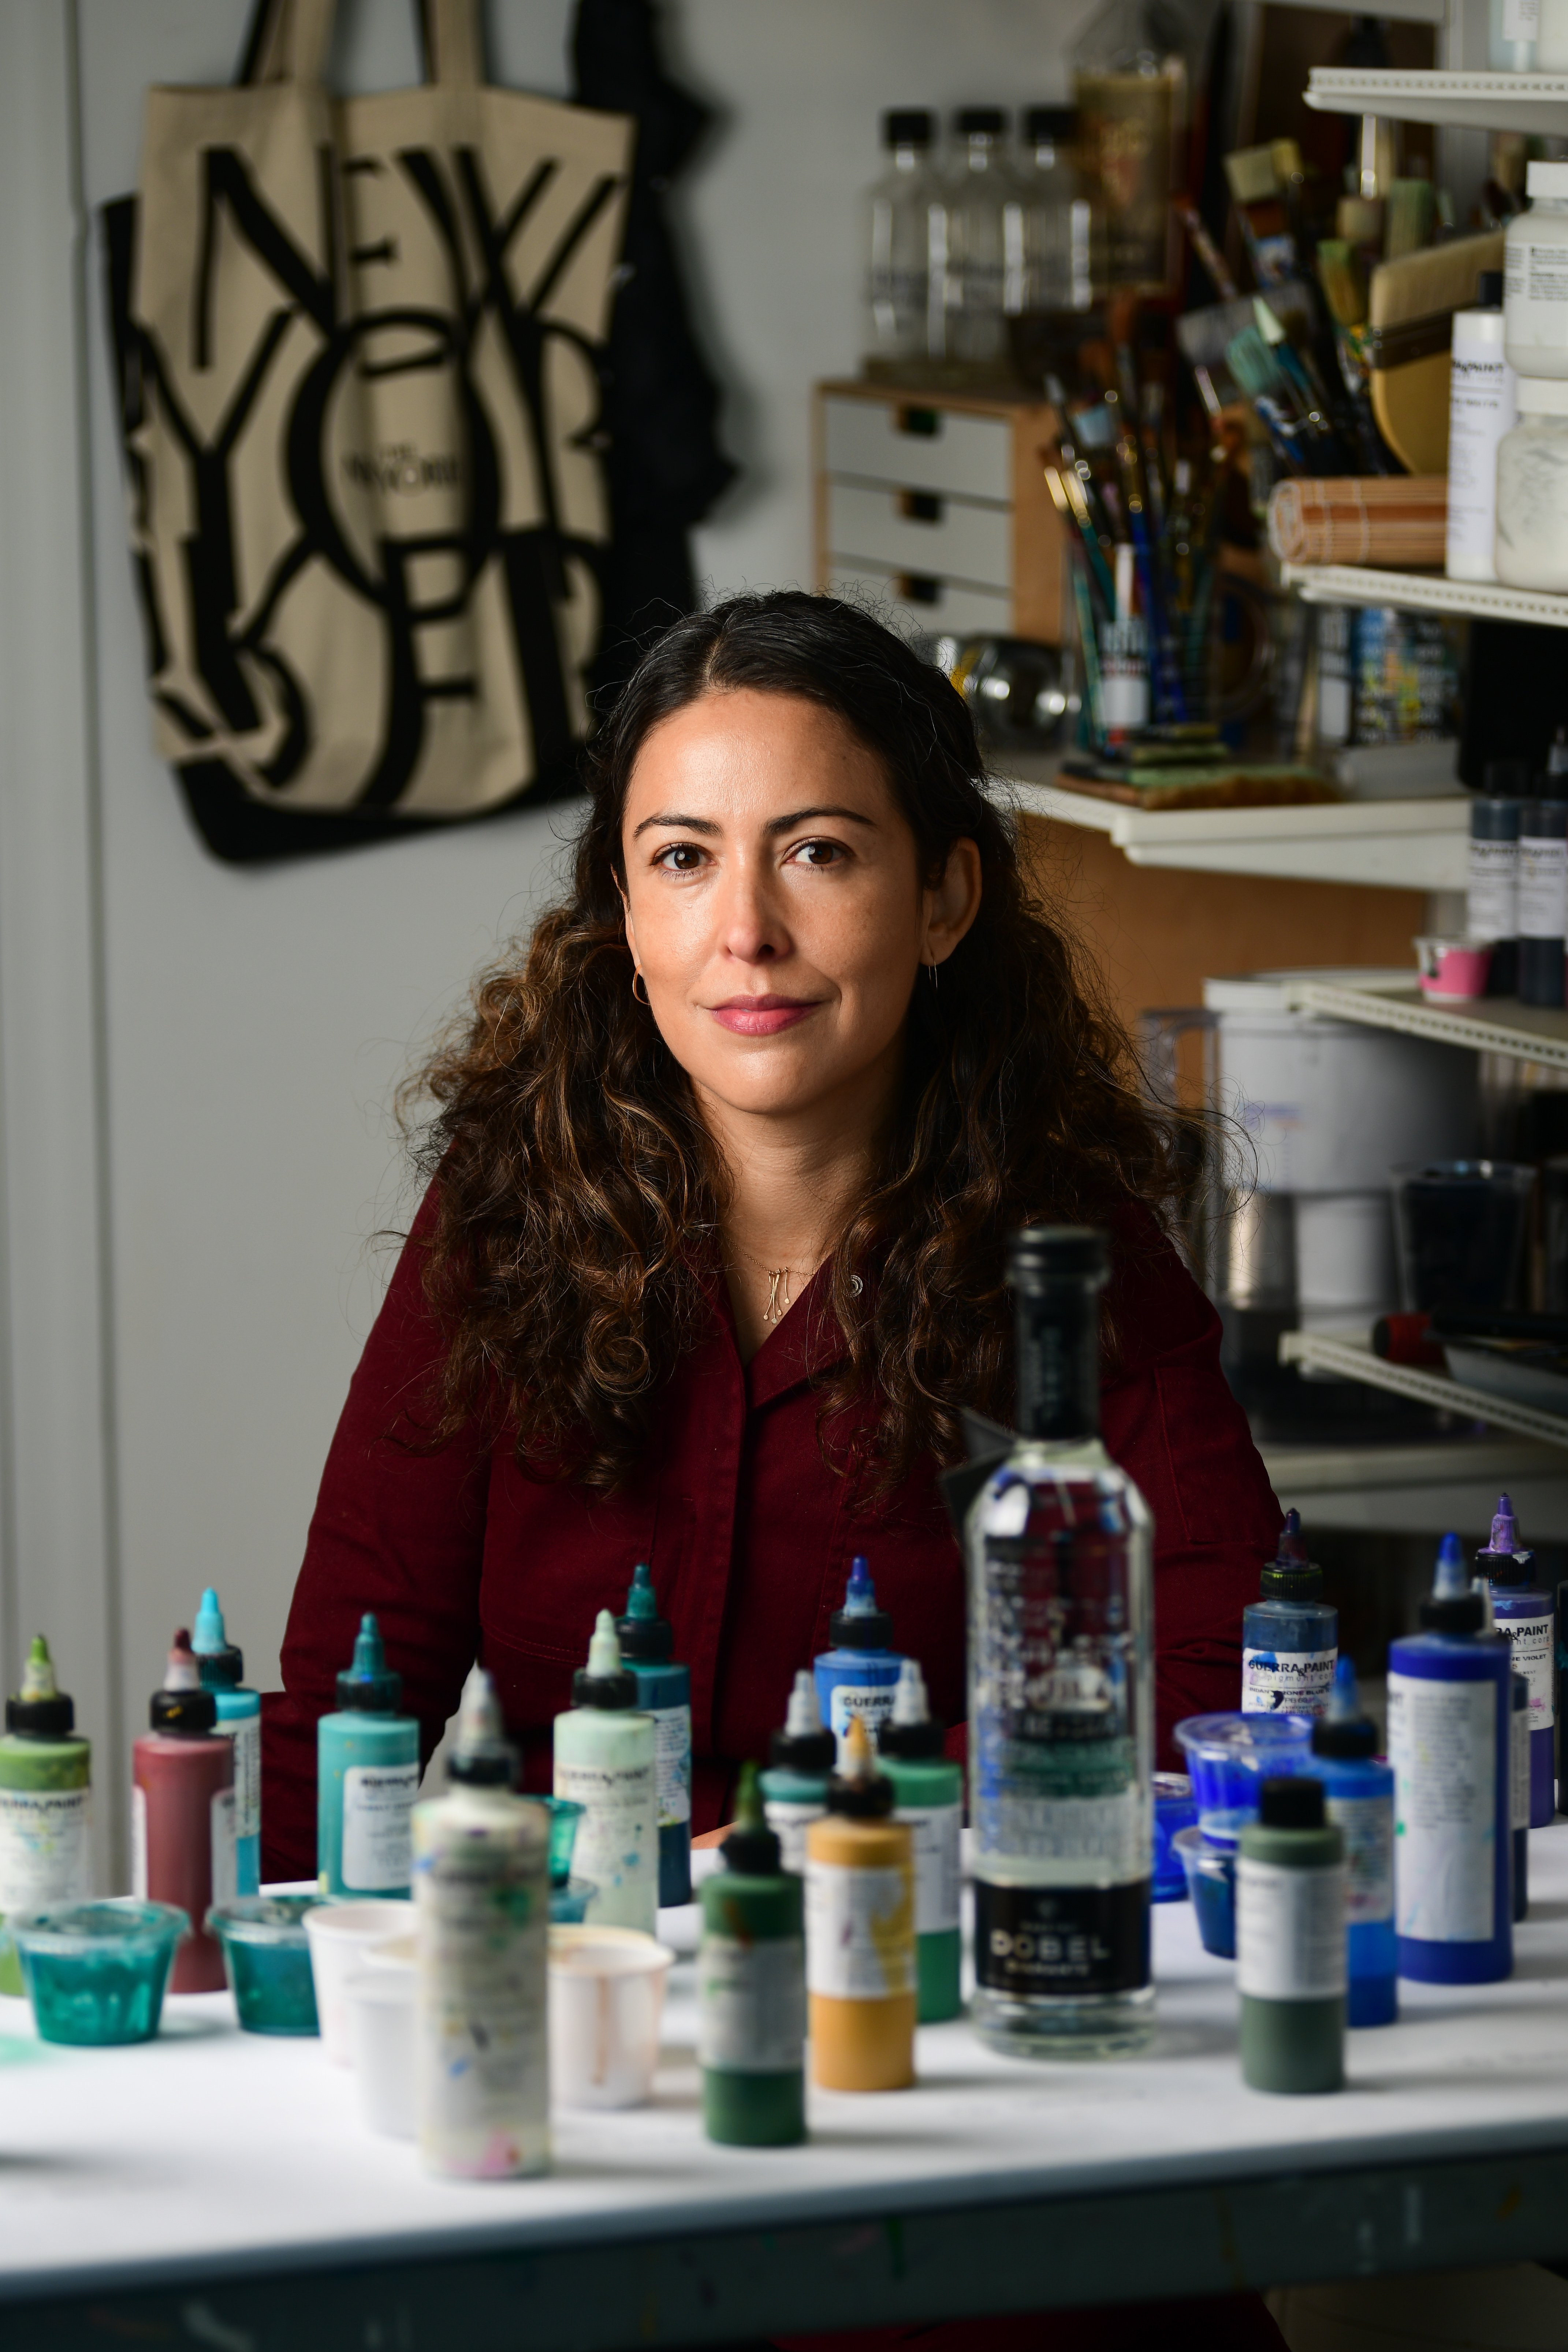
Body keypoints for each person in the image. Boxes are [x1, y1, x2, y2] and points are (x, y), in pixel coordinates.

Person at [262, 590, 1281, 1864]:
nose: (745, 931)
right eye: (683, 859)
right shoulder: (509, 1206)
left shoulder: (1067, 1250)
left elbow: (1232, 1682)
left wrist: (824, 1813)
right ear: (626, 916)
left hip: (907, 1972)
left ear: (943, 898)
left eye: (818, 852)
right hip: (575, 1982)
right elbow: (347, 1695)